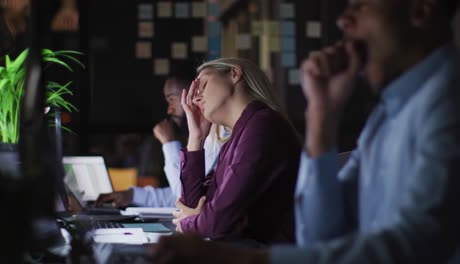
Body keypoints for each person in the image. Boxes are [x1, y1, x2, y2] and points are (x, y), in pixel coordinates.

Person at [153, 0, 460, 263]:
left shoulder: (449, 103)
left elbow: (421, 243)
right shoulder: (385, 115)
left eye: (362, 5)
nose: (344, 19)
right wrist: (322, 114)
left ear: (421, 9)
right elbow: (319, 234)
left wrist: (244, 260)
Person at [171, 58, 301, 244]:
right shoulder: (235, 140)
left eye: (203, 85)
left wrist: (189, 223)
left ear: (234, 73)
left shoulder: (263, 125)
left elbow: (216, 222)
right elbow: (191, 205)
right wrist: (196, 138)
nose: (196, 97)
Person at [95, 71, 224, 208]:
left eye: (171, 100)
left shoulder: (220, 137)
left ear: (194, 93)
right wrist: (131, 195)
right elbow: (182, 194)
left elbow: (184, 196)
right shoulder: (205, 135)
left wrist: (169, 144)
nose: (169, 110)